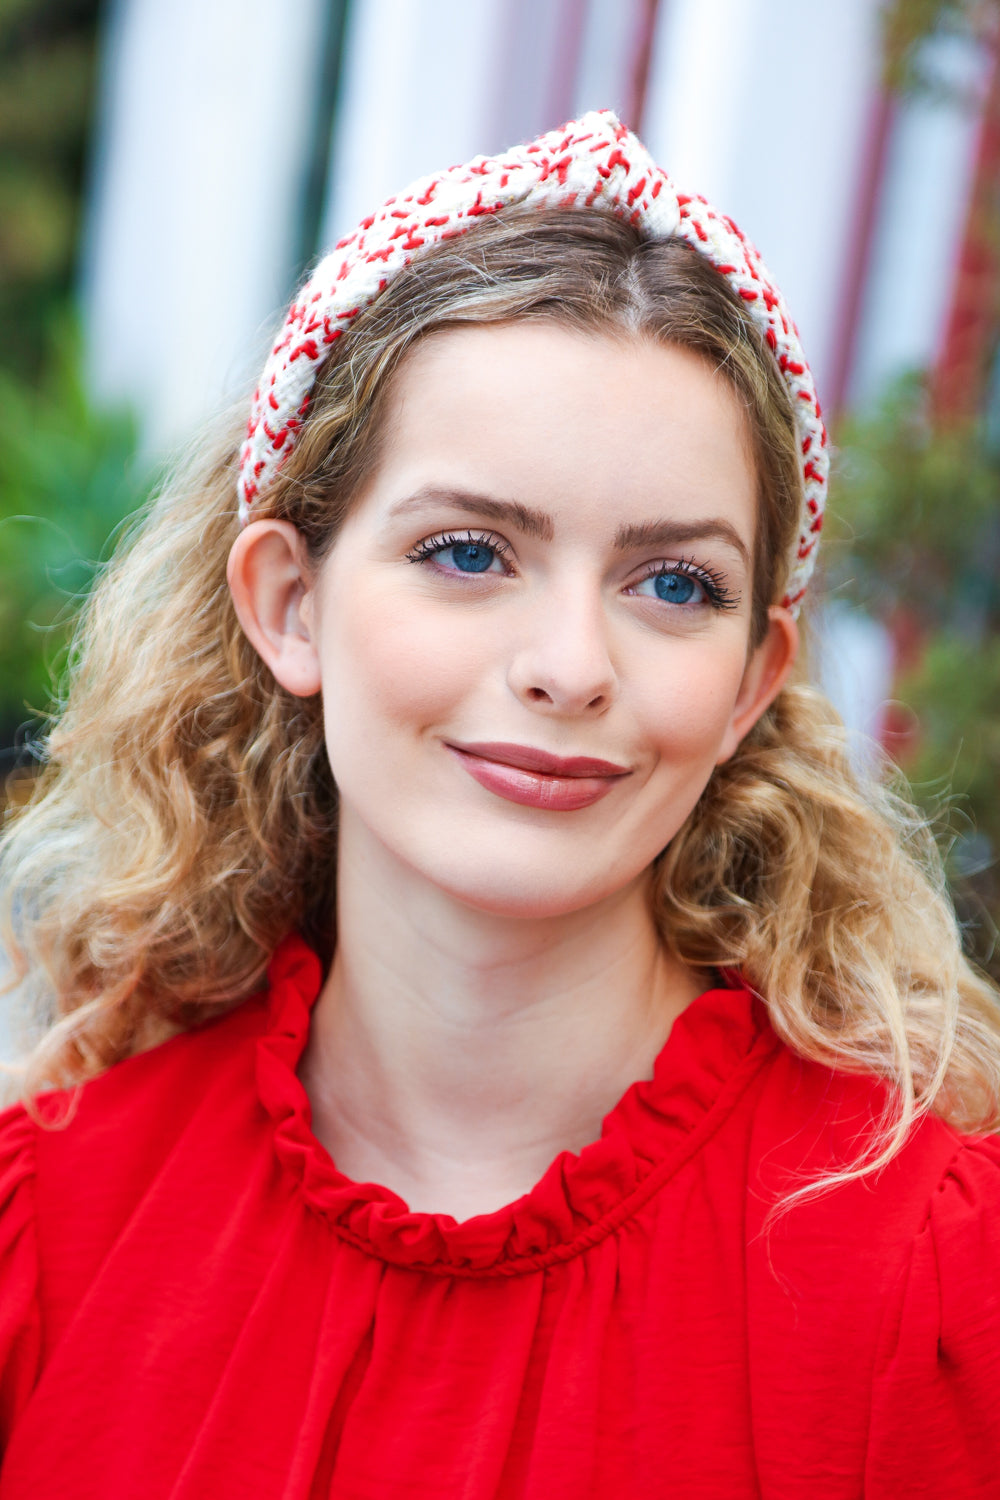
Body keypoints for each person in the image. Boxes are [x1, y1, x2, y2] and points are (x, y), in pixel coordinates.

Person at [0, 109, 998, 1498]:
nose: (571, 668)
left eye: (674, 585)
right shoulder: (52, 1228)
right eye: (470, 552)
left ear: (753, 681)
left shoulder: (934, 1282)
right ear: (289, 605)